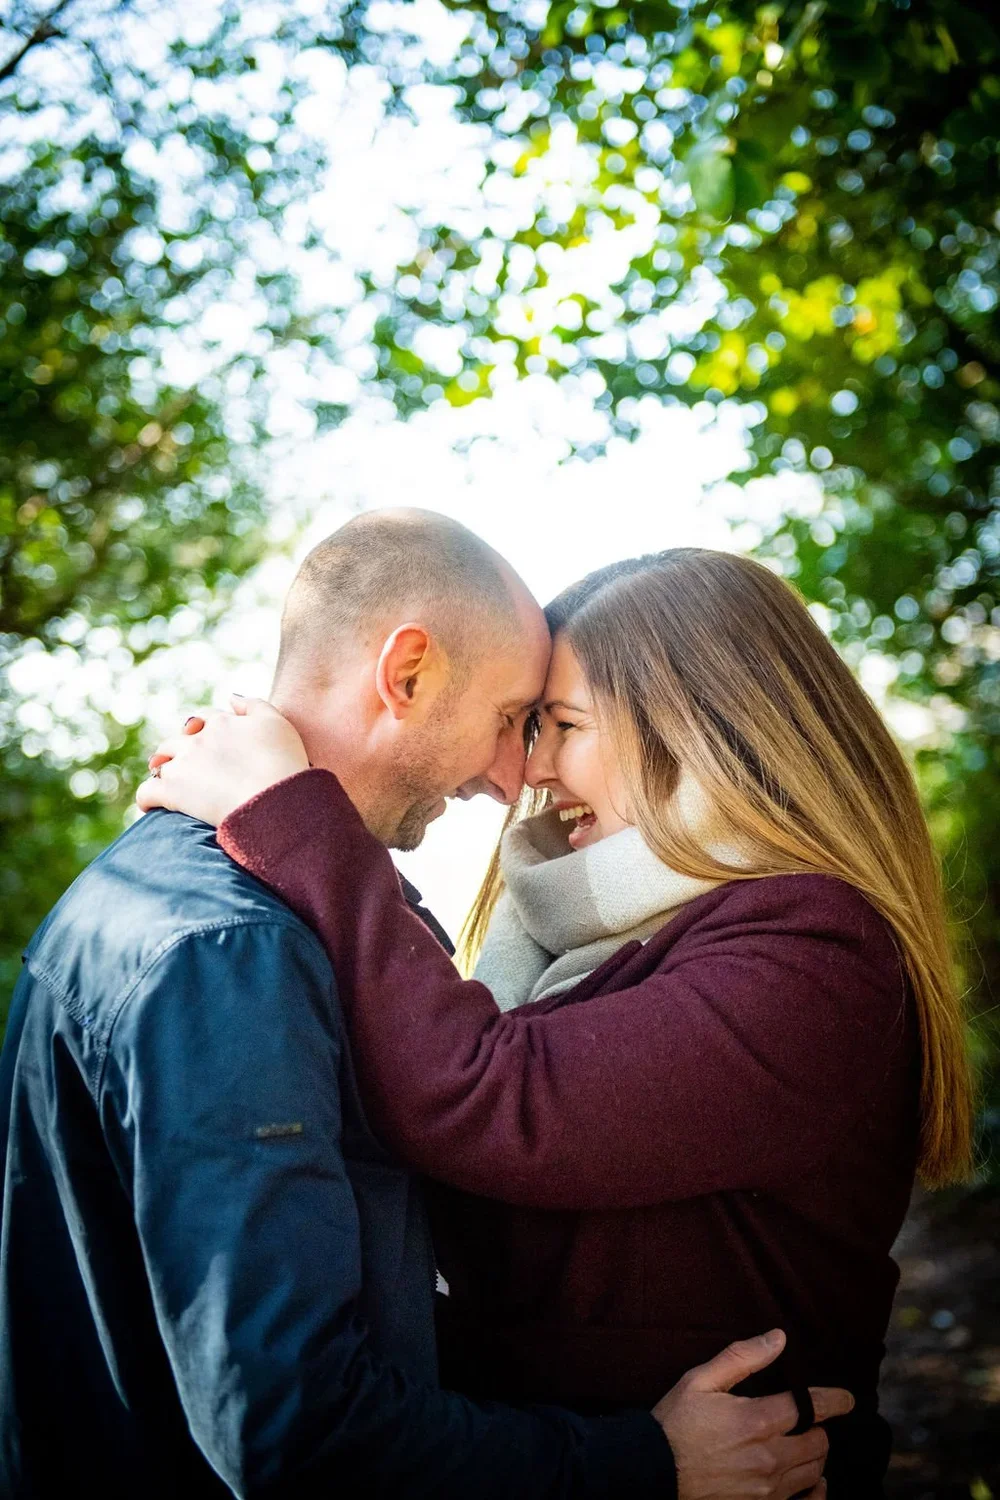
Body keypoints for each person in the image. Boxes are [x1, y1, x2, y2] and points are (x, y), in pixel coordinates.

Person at [0, 513, 844, 1500]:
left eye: (549, 729)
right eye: (510, 720)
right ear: (407, 675)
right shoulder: (237, 947)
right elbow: (295, 1428)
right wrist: (637, 1463)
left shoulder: (156, 893)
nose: (507, 779)